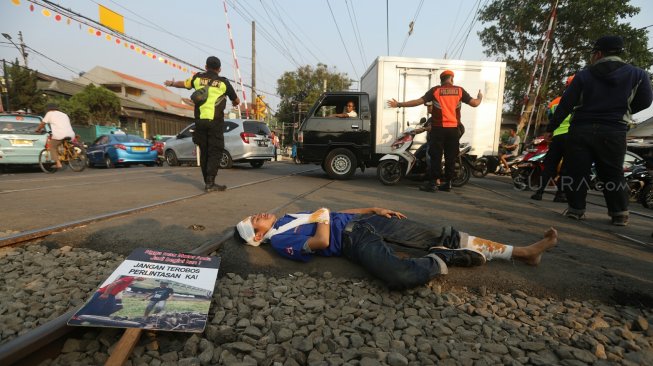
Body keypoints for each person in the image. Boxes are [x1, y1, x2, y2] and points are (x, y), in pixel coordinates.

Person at [234, 207, 557, 290]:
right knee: (398, 275)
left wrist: (373, 207)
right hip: (352, 240)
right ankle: (443, 257)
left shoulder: (288, 218)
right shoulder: (279, 241)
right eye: (253, 222)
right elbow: (320, 239)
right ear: (257, 239)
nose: (258, 216)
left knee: (442, 232)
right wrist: (322, 216)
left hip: (361, 223)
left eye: (254, 215)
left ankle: (524, 253)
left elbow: (332, 213)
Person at [547, 36, 653, 226]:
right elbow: (645, 101)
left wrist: (551, 128)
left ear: (598, 54)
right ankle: (619, 213)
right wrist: (622, 110)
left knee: (576, 171)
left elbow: (566, 104)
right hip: (614, 130)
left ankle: (576, 210)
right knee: (612, 172)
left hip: (581, 130)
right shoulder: (638, 74)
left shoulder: (583, 75)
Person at [387, 70, 482, 192]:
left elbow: (418, 101)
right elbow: (475, 103)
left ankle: (432, 184)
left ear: (441, 80)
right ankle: (448, 183)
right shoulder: (459, 90)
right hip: (453, 130)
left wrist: (399, 104)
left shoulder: (435, 90)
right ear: (451, 79)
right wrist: (479, 97)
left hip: (438, 129)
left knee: (435, 157)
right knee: (450, 157)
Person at [164, 56, 240, 192]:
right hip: (215, 122)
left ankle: (207, 182)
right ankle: (211, 183)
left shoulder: (198, 78)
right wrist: (234, 102)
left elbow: (184, 84)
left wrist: (171, 83)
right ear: (219, 69)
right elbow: (236, 100)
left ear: (205, 67)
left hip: (199, 122)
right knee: (215, 151)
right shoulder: (223, 83)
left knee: (204, 151)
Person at [531, 75, 575, 202]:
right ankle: (560, 195)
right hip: (572, 137)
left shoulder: (555, 102)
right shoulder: (582, 100)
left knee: (550, 165)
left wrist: (550, 131)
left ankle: (539, 192)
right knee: (566, 167)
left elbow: (550, 116)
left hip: (557, 137)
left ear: (566, 86)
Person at [75, 276, 145, 317]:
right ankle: (79, 316)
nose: (143, 279)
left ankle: (98, 317)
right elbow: (113, 284)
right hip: (105, 293)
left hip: (111, 295)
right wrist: (105, 294)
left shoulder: (131, 280)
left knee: (111, 307)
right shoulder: (130, 278)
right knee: (93, 306)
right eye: (143, 277)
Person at [35, 103, 76, 169]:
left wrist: (37, 129)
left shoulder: (49, 114)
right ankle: (71, 155)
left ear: (48, 109)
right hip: (71, 133)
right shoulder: (64, 114)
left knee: (52, 146)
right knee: (67, 143)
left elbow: (43, 124)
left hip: (59, 134)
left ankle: (58, 163)